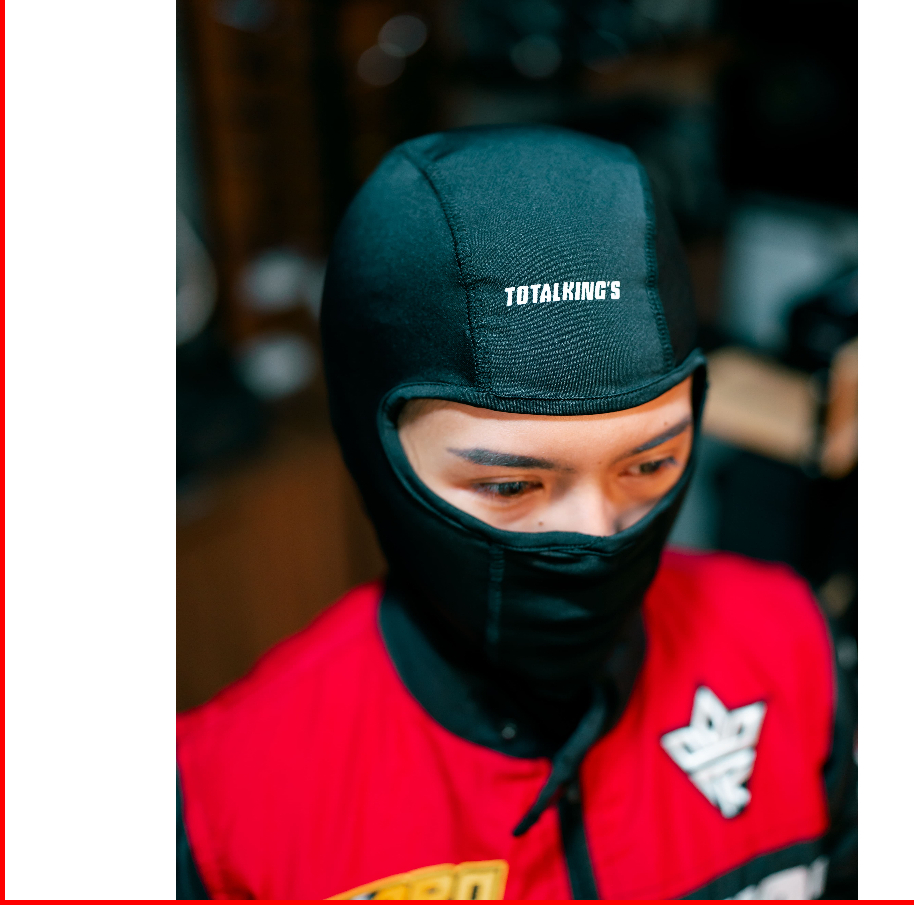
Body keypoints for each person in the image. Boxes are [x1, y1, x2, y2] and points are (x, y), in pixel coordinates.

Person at [176, 125, 856, 900]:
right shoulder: (224, 807)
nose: (596, 532)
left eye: (650, 464)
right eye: (509, 487)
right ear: (374, 452)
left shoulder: (794, 655)